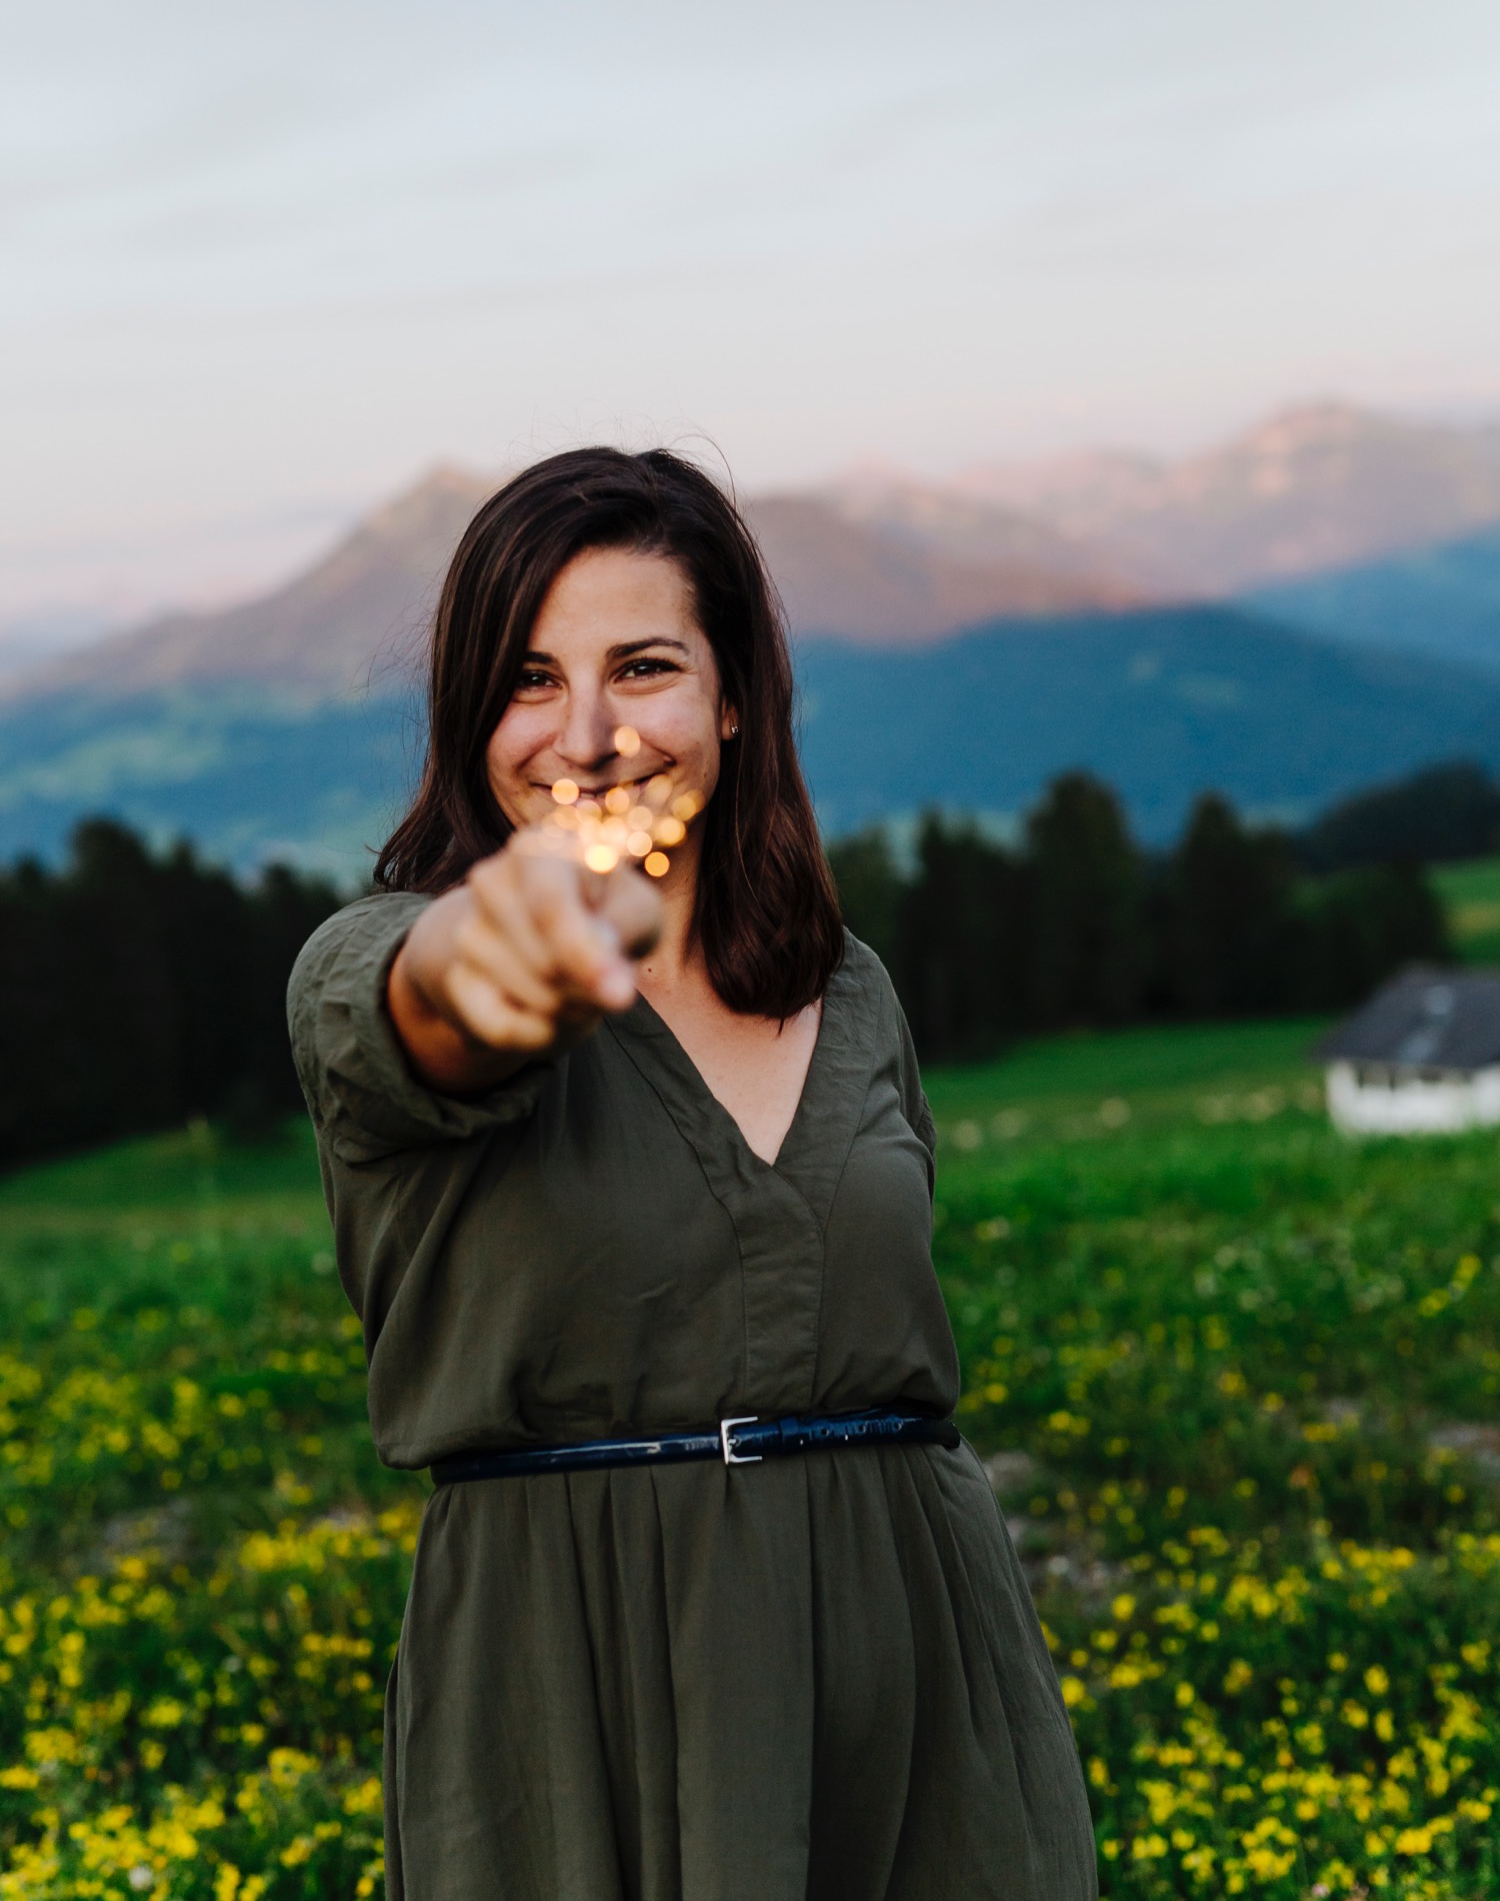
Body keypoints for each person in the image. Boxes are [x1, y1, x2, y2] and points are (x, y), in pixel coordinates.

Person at [289, 447, 1096, 1901]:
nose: (587, 737)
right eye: (529, 682)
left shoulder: (852, 993)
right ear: (473, 719)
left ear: (734, 696)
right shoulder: (369, 970)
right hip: (568, 1686)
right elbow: (436, 1014)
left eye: (643, 667)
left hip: (916, 1666)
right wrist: (509, 946)